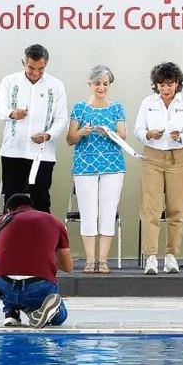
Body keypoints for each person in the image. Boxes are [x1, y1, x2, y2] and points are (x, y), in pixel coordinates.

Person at [133, 61, 183, 275]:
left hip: (179, 157)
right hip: (152, 156)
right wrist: (148, 135)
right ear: (156, 85)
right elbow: (138, 129)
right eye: (161, 84)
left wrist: (180, 137)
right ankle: (151, 257)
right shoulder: (148, 102)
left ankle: (171, 256)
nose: (165, 88)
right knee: (150, 208)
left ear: (177, 83)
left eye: (169, 84)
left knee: (177, 209)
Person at [0, 43, 69, 213]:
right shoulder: (9, 81)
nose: (35, 72)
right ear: (23, 63)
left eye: (40, 69)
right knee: (13, 202)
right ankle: (11, 238)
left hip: (43, 153)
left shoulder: (56, 85)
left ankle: (42, 239)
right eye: (31, 68)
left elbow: (61, 118)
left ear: (46, 64)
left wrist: (48, 135)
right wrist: (13, 114)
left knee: (41, 201)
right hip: (13, 151)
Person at [68, 64, 127, 274]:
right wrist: (82, 132)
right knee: (88, 211)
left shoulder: (117, 107)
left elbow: (123, 135)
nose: (101, 87)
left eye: (105, 84)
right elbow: (70, 139)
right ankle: (90, 260)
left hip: (113, 165)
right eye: (97, 83)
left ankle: (103, 260)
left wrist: (108, 132)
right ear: (89, 84)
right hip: (85, 165)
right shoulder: (79, 108)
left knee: (108, 211)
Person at [0, 192, 72, 327]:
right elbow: (68, 267)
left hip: (4, 287)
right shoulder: (54, 221)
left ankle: (12, 313)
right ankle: (51, 312)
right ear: (33, 208)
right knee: (62, 316)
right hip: (39, 286)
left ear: (8, 210)